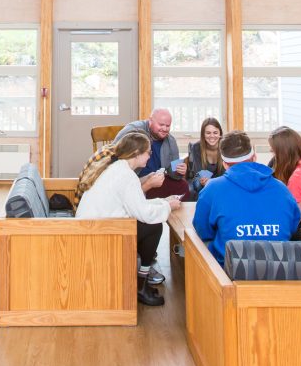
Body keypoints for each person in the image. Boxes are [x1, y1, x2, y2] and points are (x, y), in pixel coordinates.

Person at [76, 132, 181, 306]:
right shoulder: (126, 176)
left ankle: (142, 281)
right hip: (98, 232)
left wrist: (163, 202)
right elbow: (144, 213)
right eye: (148, 152)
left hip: (93, 226)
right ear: (136, 153)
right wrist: (168, 206)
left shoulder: (117, 168)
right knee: (154, 226)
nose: (150, 156)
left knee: (150, 224)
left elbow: (135, 205)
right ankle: (141, 283)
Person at [192, 130, 301, 265]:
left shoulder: (212, 189)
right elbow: (292, 226)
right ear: (254, 157)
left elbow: (203, 230)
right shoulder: (282, 189)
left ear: (224, 163)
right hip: (278, 268)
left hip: (228, 271)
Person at [114, 108, 189, 199]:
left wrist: (179, 171)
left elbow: (172, 171)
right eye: (161, 125)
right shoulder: (134, 131)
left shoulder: (171, 141)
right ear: (150, 121)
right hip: (133, 179)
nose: (165, 129)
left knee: (183, 186)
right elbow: (114, 153)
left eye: (168, 126)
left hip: (155, 179)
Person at [183, 117, 225, 202]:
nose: (212, 136)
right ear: (203, 134)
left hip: (221, 179)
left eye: (215, 132)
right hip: (202, 179)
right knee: (198, 185)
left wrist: (212, 181)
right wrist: (207, 181)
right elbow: (199, 173)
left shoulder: (226, 147)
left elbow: (226, 174)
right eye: (208, 133)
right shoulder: (196, 147)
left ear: (220, 133)